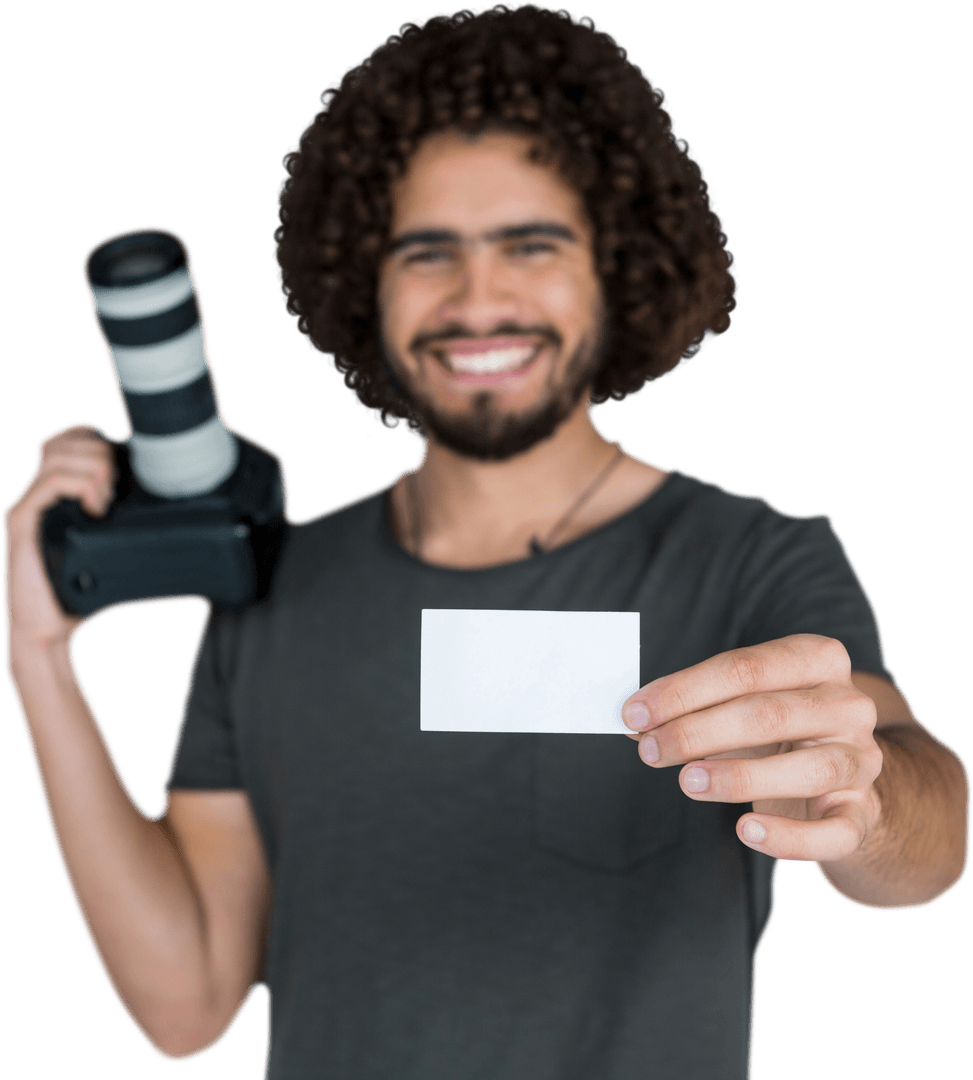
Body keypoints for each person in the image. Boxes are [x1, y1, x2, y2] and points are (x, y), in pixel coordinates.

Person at [2, 5, 968, 1078]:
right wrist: (37, 659)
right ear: (362, 286)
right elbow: (182, 1010)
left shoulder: (749, 560)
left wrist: (862, 795)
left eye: (531, 244)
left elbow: (927, 848)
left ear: (618, 266)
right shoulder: (272, 584)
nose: (478, 299)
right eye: (428, 253)